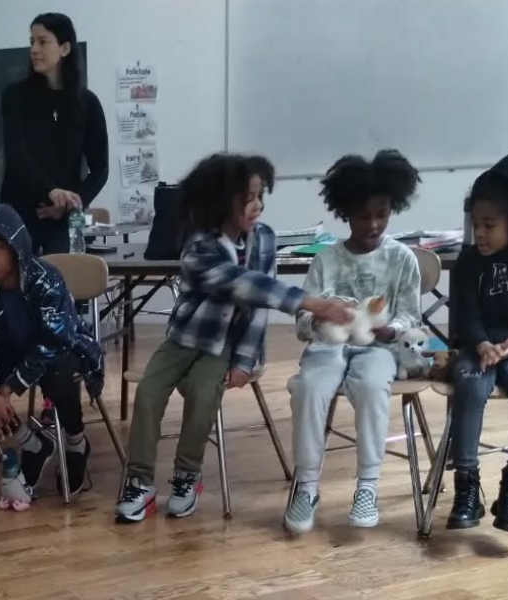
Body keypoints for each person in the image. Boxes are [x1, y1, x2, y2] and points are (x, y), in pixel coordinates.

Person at [115, 154, 354, 523]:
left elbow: (259, 309)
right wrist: (312, 303)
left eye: (261, 196)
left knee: (202, 391)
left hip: (223, 346)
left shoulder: (265, 240)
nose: (257, 205)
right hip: (183, 339)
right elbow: (246, 285)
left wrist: (245, 361)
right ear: (220, 200)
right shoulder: (198, 244)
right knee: (148, 394)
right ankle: (139, 481)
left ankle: (186, 475)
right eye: (249, 197)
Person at [284, 150, 422, 534]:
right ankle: (307, 486)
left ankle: (367, 486)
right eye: (364, 215)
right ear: (346, 213)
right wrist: (325, 317)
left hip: (378, 349)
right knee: (310, 388)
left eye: (383, 213)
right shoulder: (326, 260)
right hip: (328, 347)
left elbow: (411, 316)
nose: (374, 223)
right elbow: (302, 321)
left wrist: (389, 329)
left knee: (374, 385)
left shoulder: (402, 259)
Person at [0, 203, 102, 502]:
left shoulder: (44, 277)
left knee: (60, 372)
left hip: (63, 346)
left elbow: (56, 340)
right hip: (10, 349)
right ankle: (33, 444)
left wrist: (10, 386)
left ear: (15, 246)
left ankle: (76, 442)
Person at [446, 149, 508, 535]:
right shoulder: (469, 263)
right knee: (469, 381)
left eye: (489, 225)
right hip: (478, 351)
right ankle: (466, 486)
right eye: (474, 224)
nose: (479, 234)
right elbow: (465, 315)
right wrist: (481, 342)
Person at [0, 12, 109, 256]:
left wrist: (70, 203)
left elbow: (100, 169)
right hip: (19, 215)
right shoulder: (15, 97)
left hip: (65, 222)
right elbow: (17, 156)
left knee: (68, 288)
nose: (34, 49)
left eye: (43, 41)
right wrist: (51, 191)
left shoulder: (87, 103)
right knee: (20, 288)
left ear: (65, 48)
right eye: (31, 42)